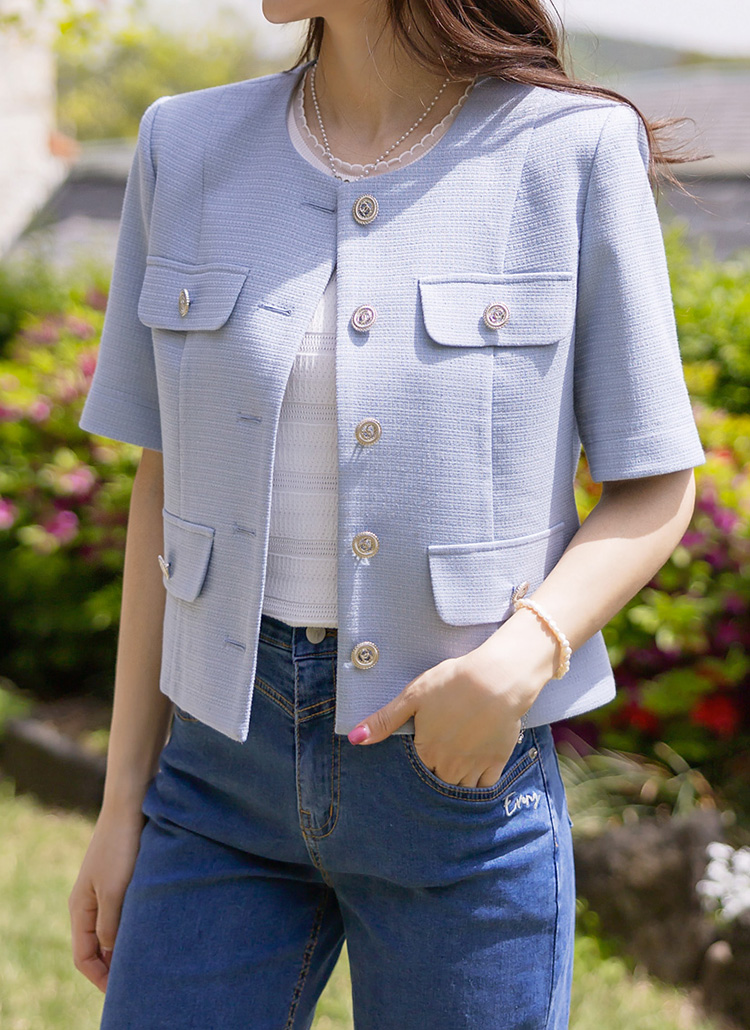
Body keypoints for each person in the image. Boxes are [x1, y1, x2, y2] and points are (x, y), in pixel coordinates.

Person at [68, 0, 706, 1026]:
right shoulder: (182, 143)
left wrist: (522, 655)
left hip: (460, 789)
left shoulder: (574, 149)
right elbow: (165, 483)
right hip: (215, 781)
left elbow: (656, 484)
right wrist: (121, 802)